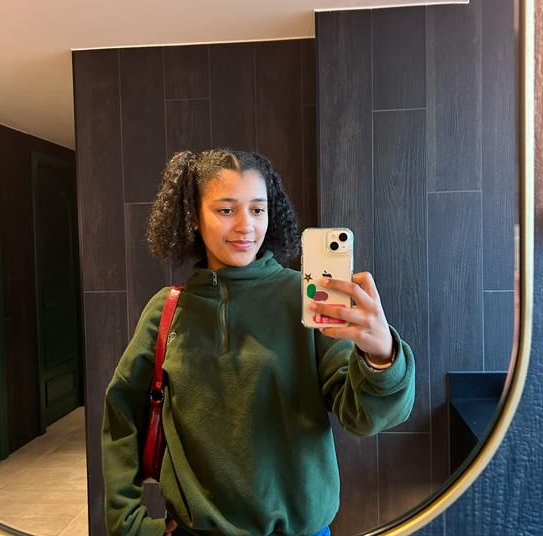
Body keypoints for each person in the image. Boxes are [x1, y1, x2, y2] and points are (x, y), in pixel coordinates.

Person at [102, 149, 416, 536]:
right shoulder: (168, 310)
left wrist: (381, 356)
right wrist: (128, 524)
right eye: (226, 210)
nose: (245, 226)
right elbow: (122, 416)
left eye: (257, 209)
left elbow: (364, 417)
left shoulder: (307, 300)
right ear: (193, 217)